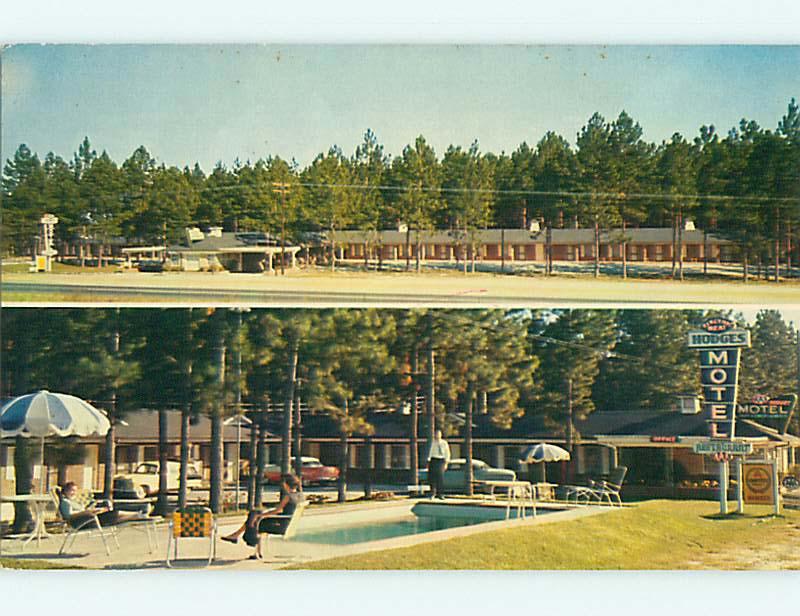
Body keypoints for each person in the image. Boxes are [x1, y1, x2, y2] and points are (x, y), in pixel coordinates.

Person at [221, 473, 305, 560]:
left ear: (286, 484)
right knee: (254, 515)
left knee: (256, 520)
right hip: (290, 524)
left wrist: (261, 515)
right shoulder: (300, 496)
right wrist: (261, 515)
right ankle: (237, 536)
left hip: (282, 526)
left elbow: (277, 510)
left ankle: (246, 542)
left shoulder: (288, 497)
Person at [58, 481, 145, 528]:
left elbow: (82, 510)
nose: (74, 493)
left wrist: (93, 510)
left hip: (89, 518)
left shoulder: (73, 502)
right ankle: (136, 515)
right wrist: (86, 512)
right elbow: (69, 516)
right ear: (65, 491)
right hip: (84, 522)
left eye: (75, 490)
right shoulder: (65, 502)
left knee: (112, 513)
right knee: (114, 514)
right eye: (71, 490)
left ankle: (137, 515)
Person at [426, 429, 451, 500]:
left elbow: (447, 453)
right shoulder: (433, 442)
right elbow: (430, 452)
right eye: (436, 434)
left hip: (441, 460)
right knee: (432, 477)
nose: (437, 435)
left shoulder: (444, 443)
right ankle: (432, 493)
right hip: (434, 460)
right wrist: (428, 461)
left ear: (441, 435)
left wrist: (446, 463)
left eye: (438, 434)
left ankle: (441, 494)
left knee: (440, 477)